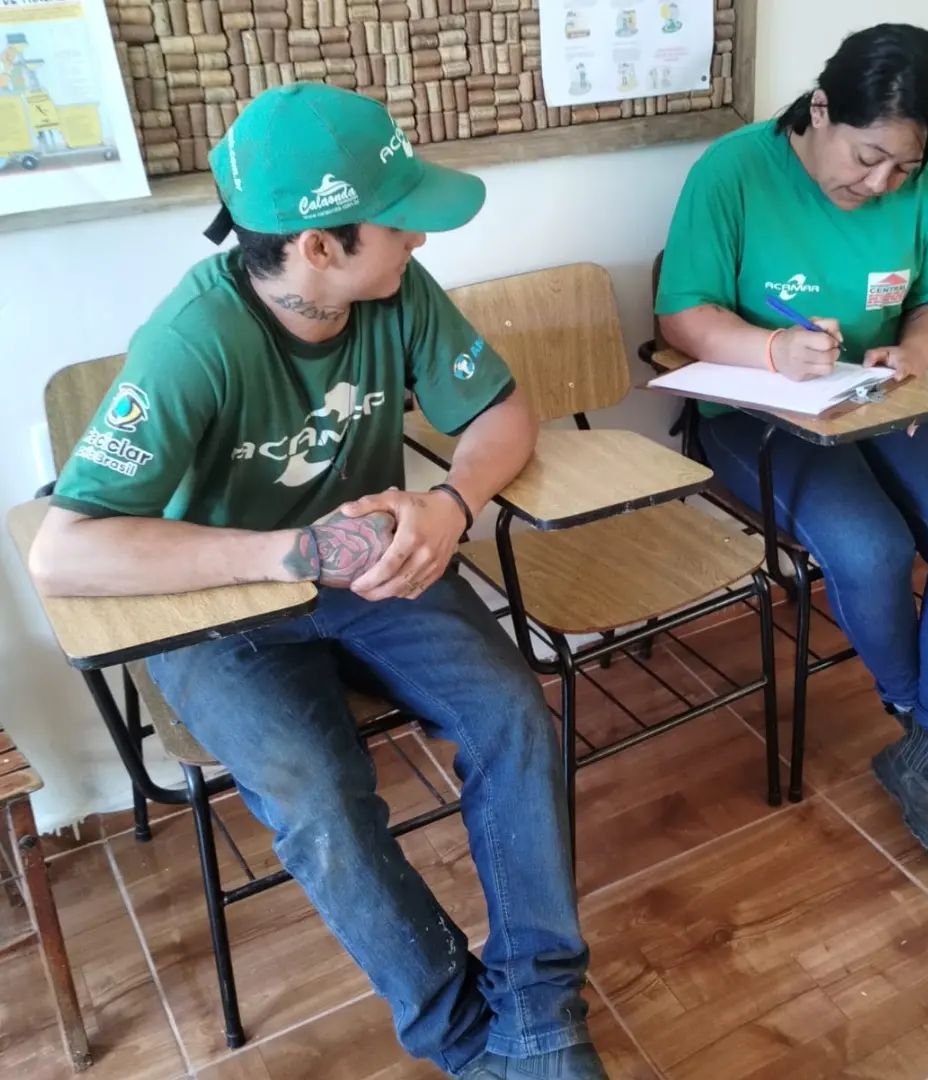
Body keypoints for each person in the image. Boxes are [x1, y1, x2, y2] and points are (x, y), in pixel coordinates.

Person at [29, 84, 608, 1080]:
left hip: (371, 566)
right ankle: (469, 1043)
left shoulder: (397, 291)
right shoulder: (193, 341)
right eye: (399, 222)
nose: (418, 239)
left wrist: (452, 503)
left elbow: (503, 414)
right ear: (319, 248)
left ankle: (540, 1015)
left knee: (512, 713)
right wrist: (284, 553)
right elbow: (63, 552)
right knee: (320, 795)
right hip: (220, 607)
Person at [656, 23, 928, 875]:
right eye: (867, 156)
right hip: (756, 412)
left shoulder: (923, 183)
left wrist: (914, 352)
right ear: (820, 108)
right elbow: (682, 315)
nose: (880, 182)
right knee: (869, 545)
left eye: (904, 168)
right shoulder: (733, 172)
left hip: (875, 396)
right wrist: (771, 350)